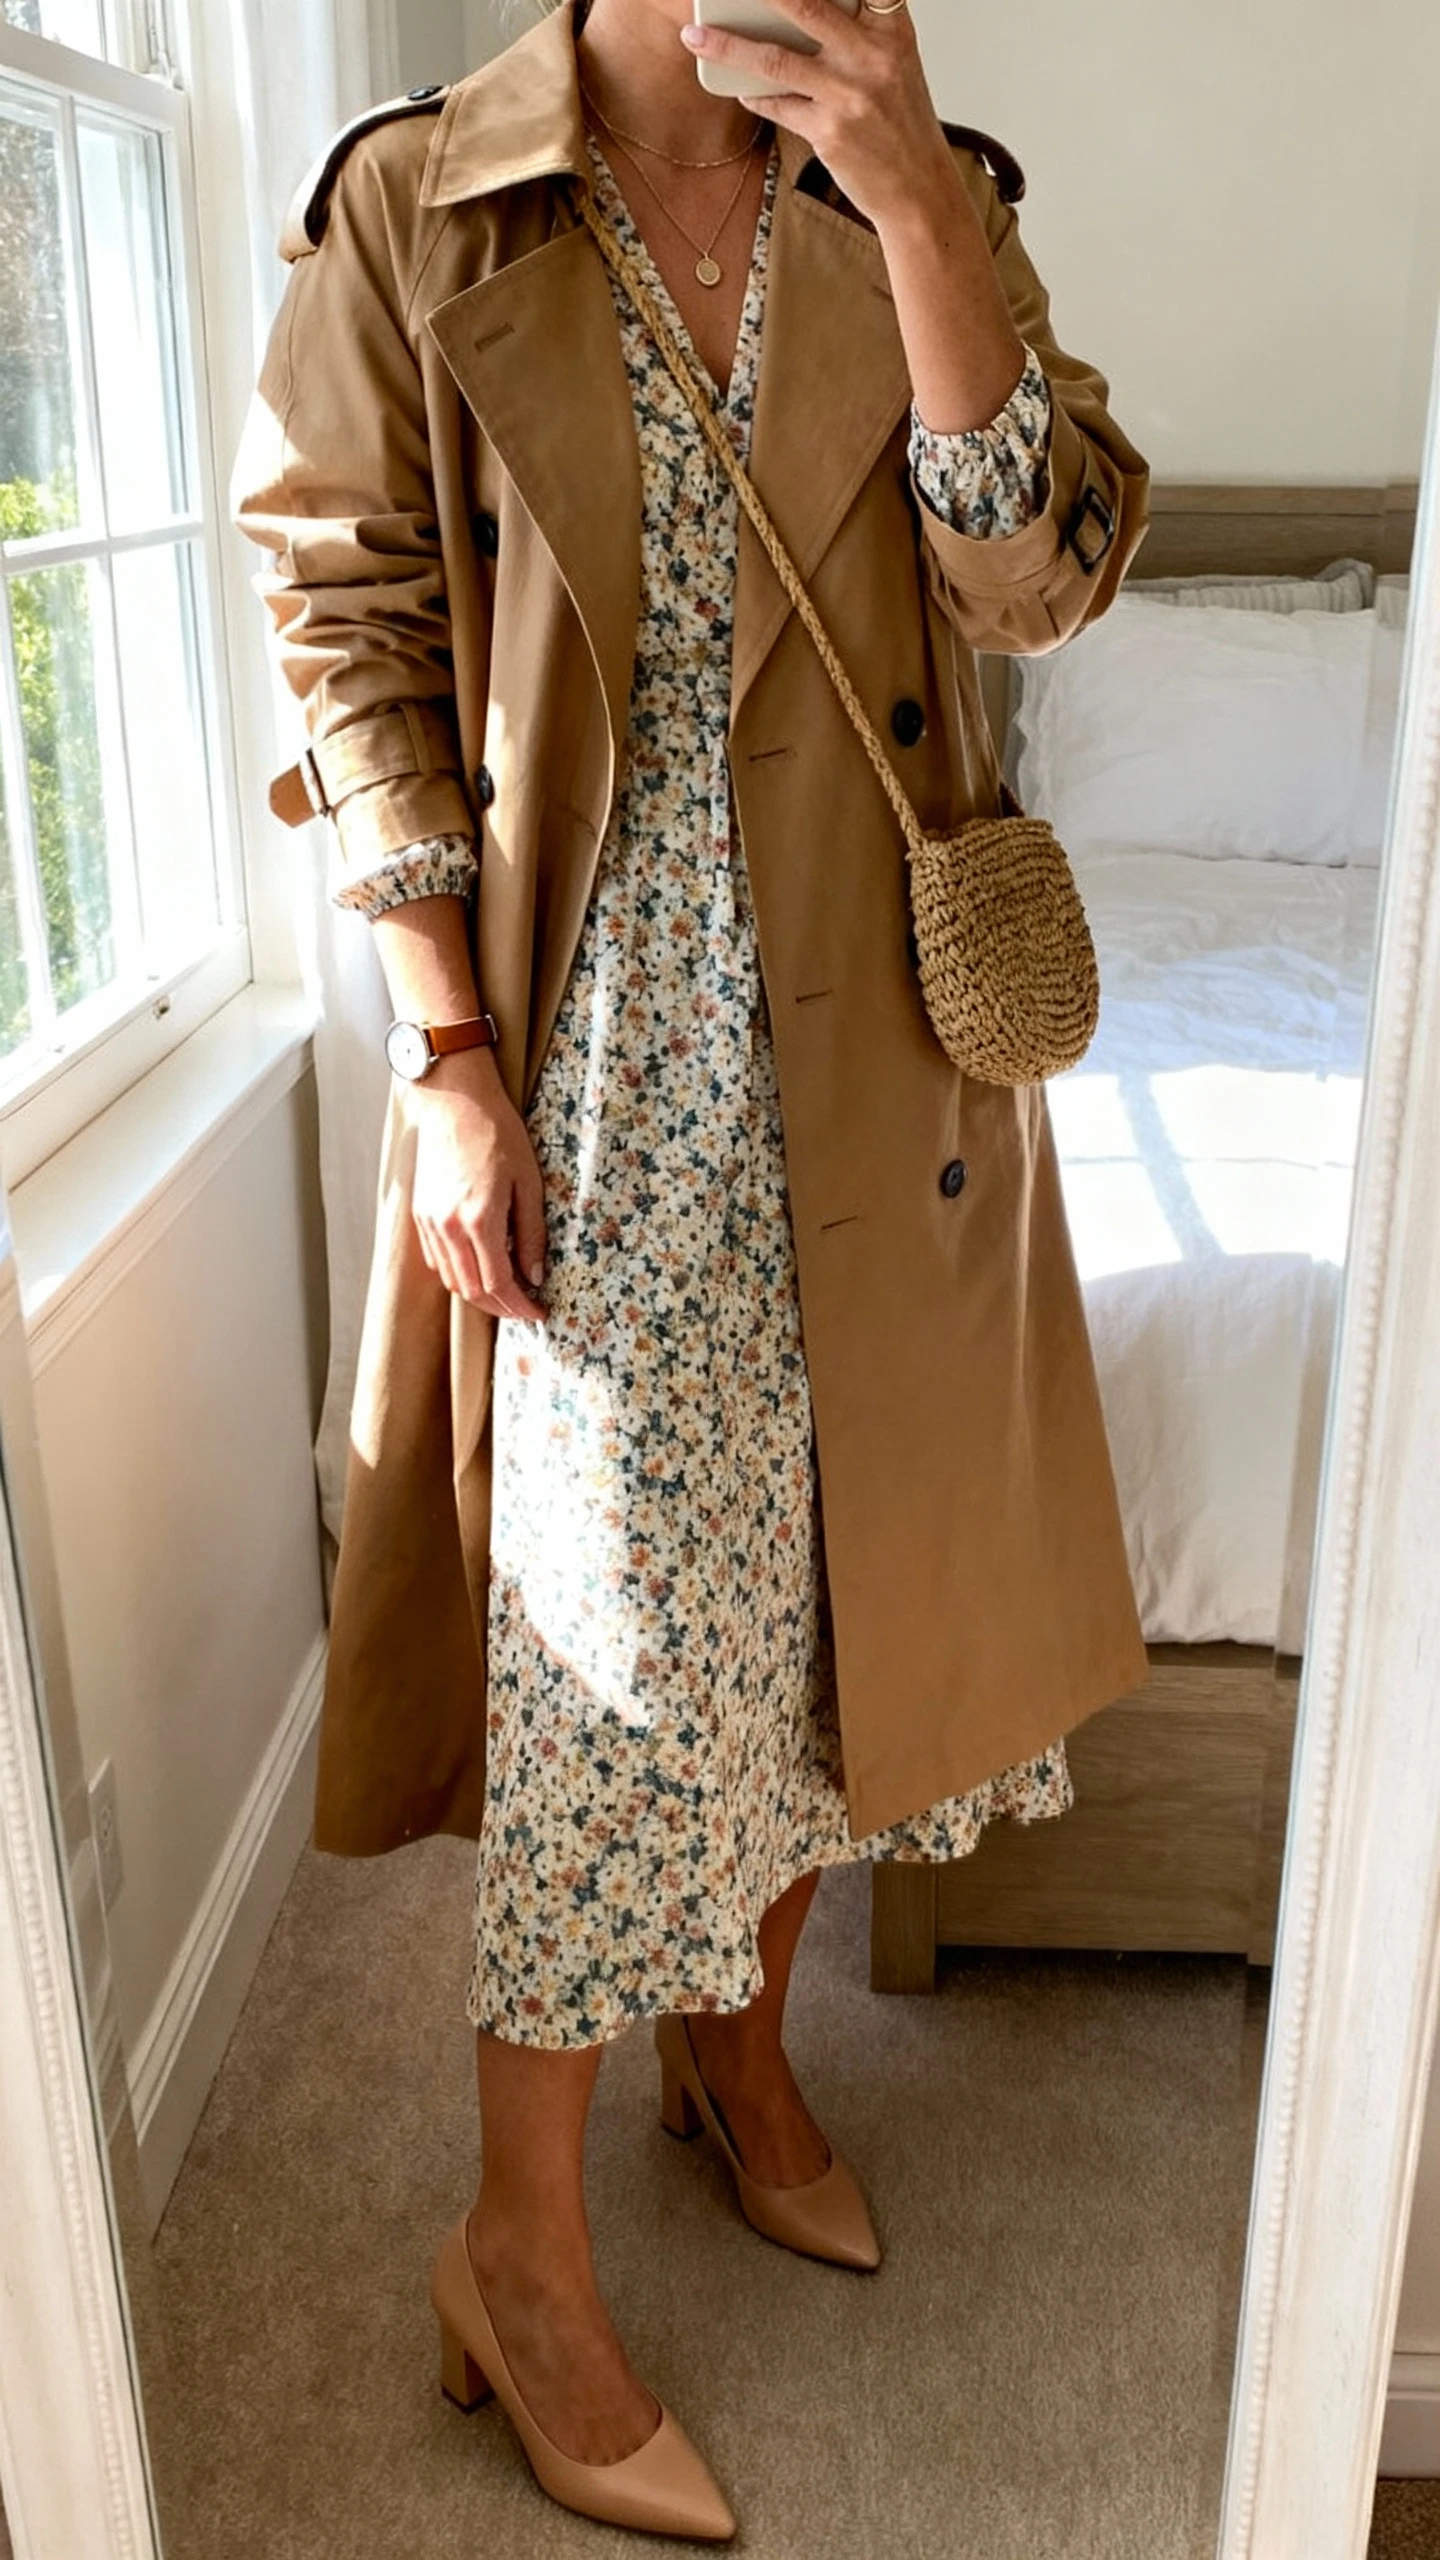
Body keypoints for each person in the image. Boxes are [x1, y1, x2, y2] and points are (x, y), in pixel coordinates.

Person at [235, 0, 1150, 2536]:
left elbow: (1035, 580)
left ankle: (734, 2049)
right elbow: (351, 617)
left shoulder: (925, 186)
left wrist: (921, 204)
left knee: (825, 1609)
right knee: (607, 1661)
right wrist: (443, 1049)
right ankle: (513, 2253)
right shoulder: (425, 197)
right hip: (594, 1046)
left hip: (876, 1053)